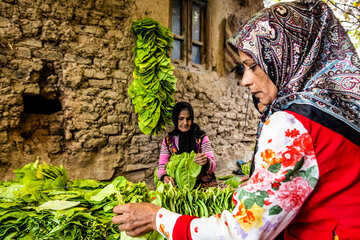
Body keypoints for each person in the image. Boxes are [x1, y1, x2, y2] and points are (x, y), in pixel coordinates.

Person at [112, 1, 360, 239]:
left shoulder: (292, 122)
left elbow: (243, 232)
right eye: (243, 69)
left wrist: (157, 218)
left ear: (284, 58)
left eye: (253, 67)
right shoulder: (336, 109)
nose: (245, 80)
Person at [156, 101, 217, 187]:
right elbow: (161, 166)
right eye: (181, 119)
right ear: (175, 119)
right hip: (178, 185)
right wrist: (164, 176)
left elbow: (214, 165)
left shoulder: (201, 137)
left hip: (203, 184)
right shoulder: (168, 141)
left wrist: (206, 162)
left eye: (188, 119)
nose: (185, 123)